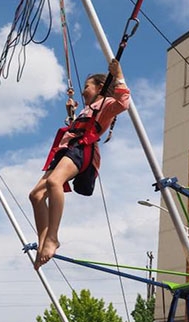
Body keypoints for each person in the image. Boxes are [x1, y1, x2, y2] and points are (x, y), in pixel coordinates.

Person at [29, 59, 130, 269]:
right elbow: (80, 124)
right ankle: (43, 241)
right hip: (67, 149)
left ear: (99, 88)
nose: (83, 91)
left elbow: (123, 103)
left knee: (54, 183)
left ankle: (53, 237)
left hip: (81, 149)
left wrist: (118, 75)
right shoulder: (88, 108)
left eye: (86, 86)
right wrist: (71, 115)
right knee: (36, 195)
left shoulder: (106, 104)